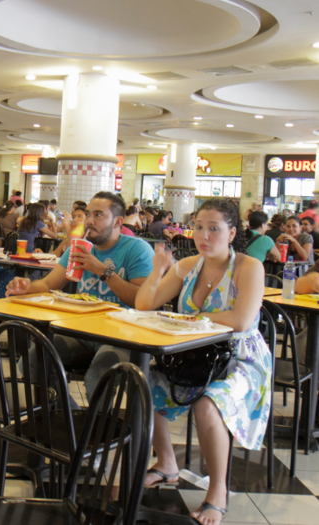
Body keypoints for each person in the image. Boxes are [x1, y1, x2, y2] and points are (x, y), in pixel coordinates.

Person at [135, 198, 271, 525]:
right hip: (194, 357)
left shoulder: (248, 267)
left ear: (231, 232)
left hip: (240, 361)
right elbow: (144, 304)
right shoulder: (186, 266)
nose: (203, 236)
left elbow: (240, 320)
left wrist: (191, 319)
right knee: (145, 383)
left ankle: (218, 491)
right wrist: (157, 271)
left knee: (207, 405)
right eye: (198, 227)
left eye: (214, 229)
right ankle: (167, 462)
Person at [6, 192, 154, 399]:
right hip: (84, 332)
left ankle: (98, 430)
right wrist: (25, 286)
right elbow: (48, 283)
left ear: (118, 221)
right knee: (33, 359)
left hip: (124, 337)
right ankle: (66, 418)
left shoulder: (137, 250)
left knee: (98, 378)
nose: (89, 221)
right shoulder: (79, 248)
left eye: (99, 215)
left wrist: (103, 271)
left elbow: (142, 301)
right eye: (88, 214)